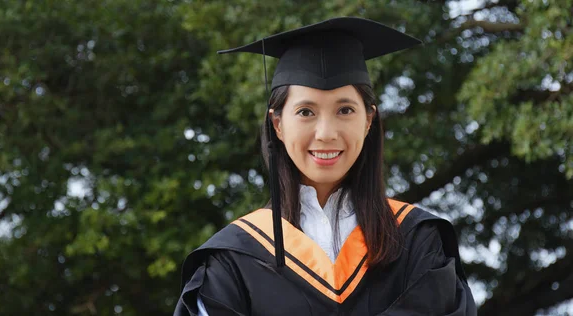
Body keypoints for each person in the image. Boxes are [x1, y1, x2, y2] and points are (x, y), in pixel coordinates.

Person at [174, 17, 477, 315]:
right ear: (277, 124)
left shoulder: (418, 242)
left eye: (345, 110)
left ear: (368, 120)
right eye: (306, 112)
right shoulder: (232, 260)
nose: (326, 133)